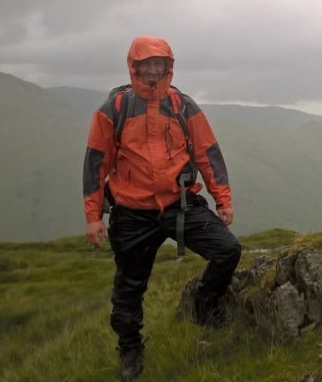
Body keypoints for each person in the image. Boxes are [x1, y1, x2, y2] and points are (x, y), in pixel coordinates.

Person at [83, 36, 241, 381]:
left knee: (227, 250)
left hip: (179, 205)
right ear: (134, 66)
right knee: (129, 287)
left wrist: (222, 198)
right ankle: (130, 348)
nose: (153, 71)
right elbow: (96, 163)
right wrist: (94, 216)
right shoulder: (115, 109)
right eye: (146, 64)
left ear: (169, 67)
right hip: (131, 212)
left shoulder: (183, 106)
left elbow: (208, 154)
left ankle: (205, 305)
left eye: (159, 64)